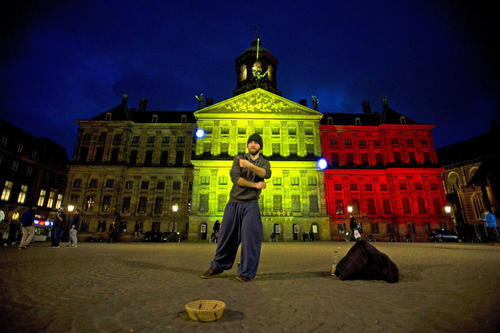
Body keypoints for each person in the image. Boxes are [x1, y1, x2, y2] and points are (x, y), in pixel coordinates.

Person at [201, 133, 271, 282]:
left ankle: (246, 272)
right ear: (247, 145)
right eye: (250, 142)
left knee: (250, 238)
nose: (252, 145)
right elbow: (237, 179)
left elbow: (265, 173)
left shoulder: (264, 162)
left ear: (260, 146)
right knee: (225, 236)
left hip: (251, 204)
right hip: (234, 202)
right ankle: (217, 266)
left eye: (256, 143)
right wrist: (256, 184)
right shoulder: (238, 159)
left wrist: (250, 166)